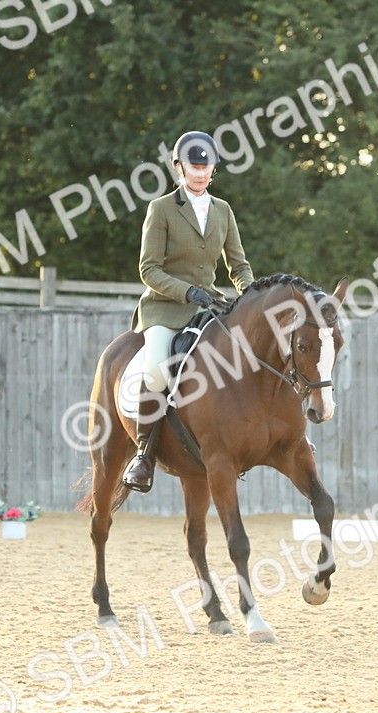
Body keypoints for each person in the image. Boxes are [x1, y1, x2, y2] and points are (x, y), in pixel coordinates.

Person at [122, 131, 256, 492]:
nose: (200, 173)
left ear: (214, 169)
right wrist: (187, 291)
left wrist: (250, 292)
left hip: (208, 305)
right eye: (194, 166)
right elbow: (148, 269)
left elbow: (238, 265)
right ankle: (144, 453)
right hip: (165, 308)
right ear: (179, 167)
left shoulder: (223, 210)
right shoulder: (162, 208)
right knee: (156, 371)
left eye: (206, 166)